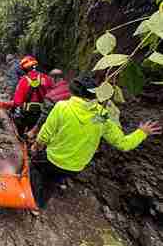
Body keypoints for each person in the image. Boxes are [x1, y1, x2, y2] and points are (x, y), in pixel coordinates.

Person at [30, 74, 162, 210]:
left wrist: (35, 146)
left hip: (53, 160)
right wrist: (142, 132)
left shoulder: (62, 107)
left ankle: (33, 200)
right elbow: (123, 144)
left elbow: (45, 135)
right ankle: (43, 201)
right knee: (53, 181)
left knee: (34, 167)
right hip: (75, 168)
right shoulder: (100, 115)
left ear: (73, 91)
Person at [13, 55, 54, 136]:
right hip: (42, 114)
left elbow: (17, 102)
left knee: (20, 130)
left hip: (27, 115)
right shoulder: (47, 78)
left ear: (25, 69)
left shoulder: (23, 81)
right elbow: (52, 95)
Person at [26, 68, 71, 139]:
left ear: (53, 79)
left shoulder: (51, 96)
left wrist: (34, 131)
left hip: (56, 130)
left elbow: (44, 117)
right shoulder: (72, 90)